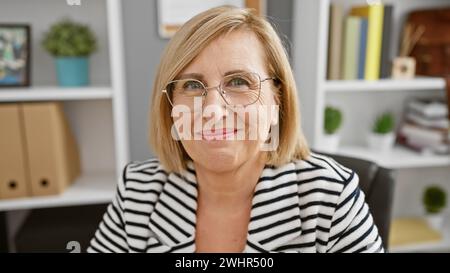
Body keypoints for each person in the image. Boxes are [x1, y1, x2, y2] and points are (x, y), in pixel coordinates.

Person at [88, 6, 383, 253]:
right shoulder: (137, 191)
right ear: (170, 107)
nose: (213, 111)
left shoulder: (330, 198)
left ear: (277, 98)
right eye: (192, 85)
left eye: (239, 82)